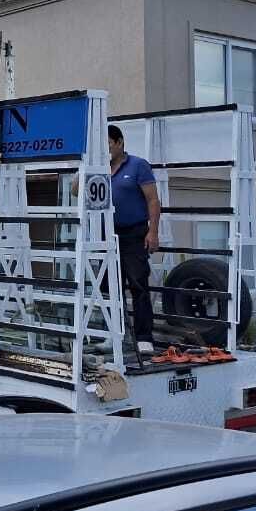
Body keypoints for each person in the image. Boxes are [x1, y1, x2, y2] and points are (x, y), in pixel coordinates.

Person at [107, 124, 161, 355]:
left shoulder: (138, 165)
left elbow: (153, 200)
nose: (105, 149)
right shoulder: (99, 168)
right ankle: (115, 335)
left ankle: (143, 337)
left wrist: (153, 231)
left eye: (108, 144)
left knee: (138, 284)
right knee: (110, 287)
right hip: (108, 235)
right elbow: (77, 191)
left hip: (134, 233)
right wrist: (85, 166)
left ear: (120, 143)